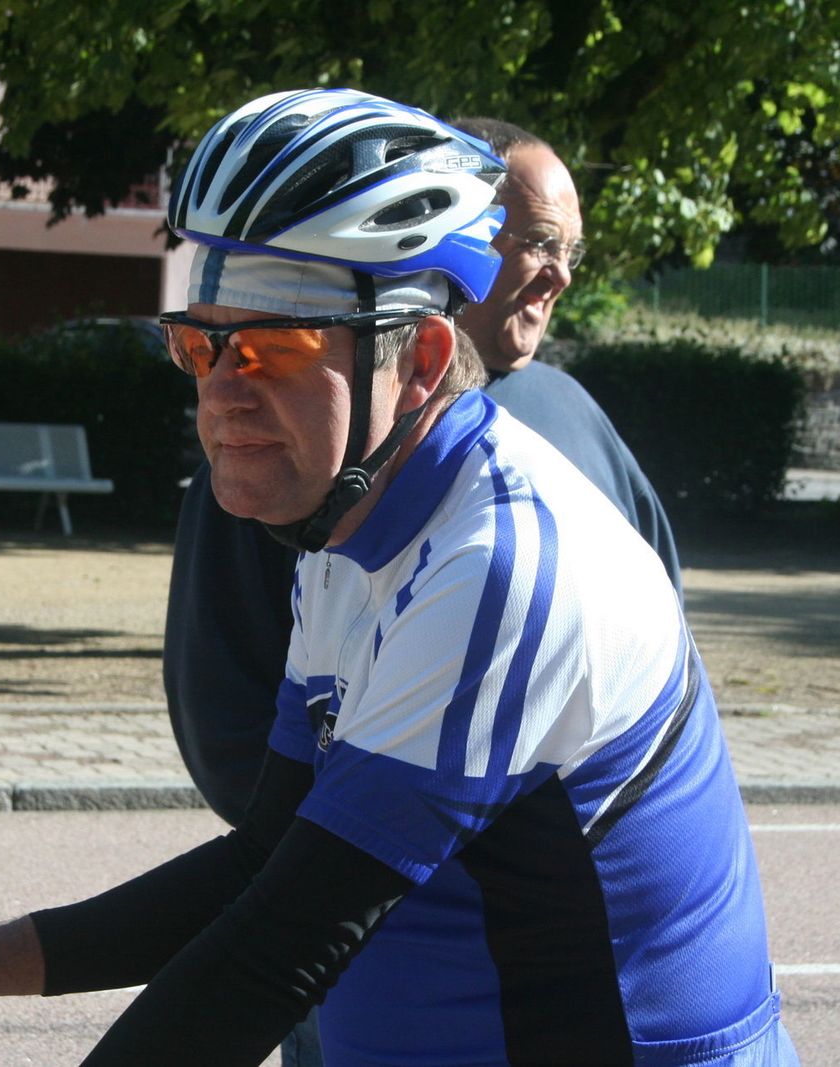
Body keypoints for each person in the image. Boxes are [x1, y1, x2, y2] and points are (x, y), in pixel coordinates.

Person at [0, 88, 797, 1067]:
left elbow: (279, 948)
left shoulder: (500, 567)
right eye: (202, 344)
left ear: (423, 358)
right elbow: (265, 857)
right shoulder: (350, 530)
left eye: (278, 346)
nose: (223, 392)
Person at [165, 116, 680, 832]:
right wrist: (296, 854)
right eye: (536, 241)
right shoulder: (295, 454)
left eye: (569, 249)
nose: (560, 272)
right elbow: (230, 719)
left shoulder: (571, 418)